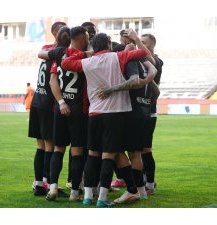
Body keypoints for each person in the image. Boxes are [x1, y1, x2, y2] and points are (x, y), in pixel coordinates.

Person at [61, 33, 148, 207]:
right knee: (109, 155)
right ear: (108, 44)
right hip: (115, 113)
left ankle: (87, 196)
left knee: (93, 154)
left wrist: (85, 54)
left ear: (94, 46)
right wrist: (132, 44)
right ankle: (102, 198)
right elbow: (142, 54)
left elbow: (65, 63)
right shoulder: (118, 56)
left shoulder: (88, 62)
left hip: (94, 113)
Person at [98, 31, 158, 203]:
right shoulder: (144, 62)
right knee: (136, 153)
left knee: (117, 150)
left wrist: (111, 90)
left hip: (132, 113)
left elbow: (132, 82)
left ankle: (133, 189)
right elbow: (156, 86)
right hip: (144, 112)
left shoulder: (131, 60)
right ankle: (142, 191)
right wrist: (146, 94)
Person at [41, 26, 89, 202]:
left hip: (60, 108)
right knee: (77, 151)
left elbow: (53, 80)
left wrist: (61, 102)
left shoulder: (59, 55)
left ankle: (53, 187)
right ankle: (75, 192)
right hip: (78, 109)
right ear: (83, 38)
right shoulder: (85, 57)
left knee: (58, 149)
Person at [29, 21, 67, 196]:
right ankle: (48, 183)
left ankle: (39, 183)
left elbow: (40, 54)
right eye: (61, 32)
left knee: (41, 145)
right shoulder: (61, 52)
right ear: (55, 34)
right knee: (49, 145)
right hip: (48, 103)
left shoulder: (46, 49)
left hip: (38, 100)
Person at [140, 33, 164, 195]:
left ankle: (149, 184)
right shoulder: (139, 60)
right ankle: (143, 181)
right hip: (137, 111)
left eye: (143, 43)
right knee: (137, 149)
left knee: (145, 149)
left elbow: (153, 64)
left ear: (152, 45)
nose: (139, 44)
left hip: (149, 112)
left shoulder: (157, 61)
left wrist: (135, 41)